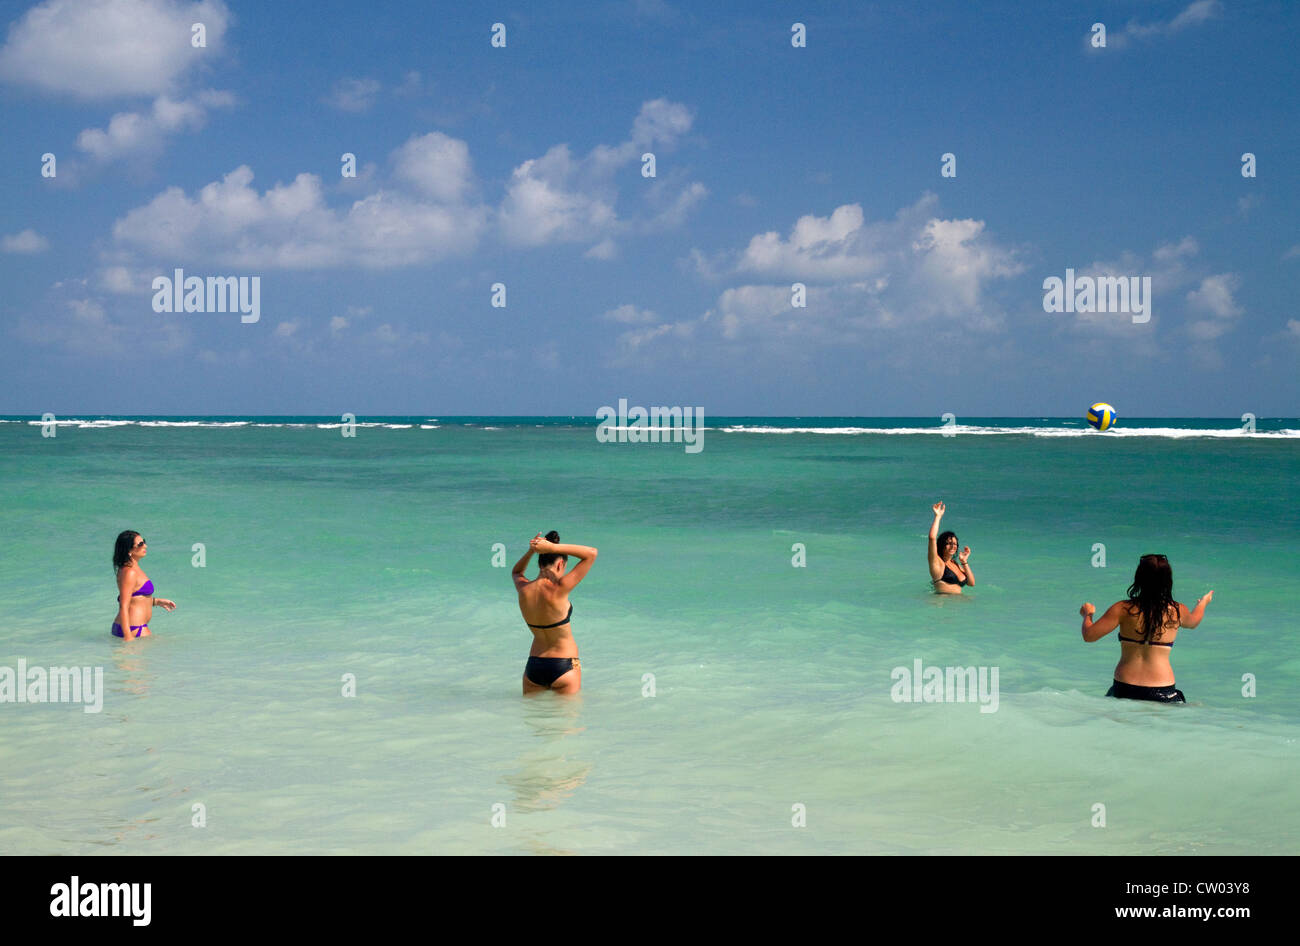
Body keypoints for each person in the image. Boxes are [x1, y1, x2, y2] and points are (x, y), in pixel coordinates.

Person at [1080, 553, 1213, 703]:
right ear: (1167, 580)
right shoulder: (1177, 610)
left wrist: (1088, 615)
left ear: (1139, 578)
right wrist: (1203, 603)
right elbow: (1194, 621)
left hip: (1125, 687)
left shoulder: (1123, 608)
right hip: (1162, 688)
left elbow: (1089, 636)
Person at [512, 531, 597, 695]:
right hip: (564, 665)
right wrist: (552, 547)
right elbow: (591, 553)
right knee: (568, 720)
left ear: (539, 564)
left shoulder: (524, 589)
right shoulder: (560, 588)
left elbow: (516, 572)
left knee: (533, 719)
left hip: (534, 666)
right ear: (560, 565)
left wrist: (532, 551)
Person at [111, 530, 176, 639]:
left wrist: (156, 601)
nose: (145, 546)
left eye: (144, 542)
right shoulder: (129, 572)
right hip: (133, 629)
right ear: (129, 550)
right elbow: (124, 605)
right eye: (140, 544)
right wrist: (128, 637)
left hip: (134, 628)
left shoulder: (133, 569)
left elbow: (135, 597)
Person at [927, 501, 973, 594]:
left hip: (957, 605)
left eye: (955, 544)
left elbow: (971, 583)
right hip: (942, 605)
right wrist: (938, 517)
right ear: (942, 545)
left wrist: (964, 562)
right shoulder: (937, 563)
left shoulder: (954, 564)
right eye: (949, 543)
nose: (953, 546)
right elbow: (932, 538)